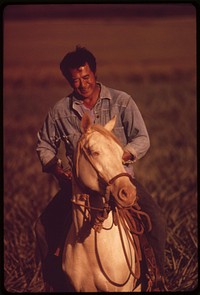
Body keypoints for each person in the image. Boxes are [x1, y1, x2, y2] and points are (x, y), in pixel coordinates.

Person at [35, 46, 166, 291]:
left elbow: (142, 138)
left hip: (119, 179)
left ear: (94, 73)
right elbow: (44, 144)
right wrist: (55, 168)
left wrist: (121, 155)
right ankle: (52, 283)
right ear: (68, 80)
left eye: (86, 77)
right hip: (79, 186)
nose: (82, 84)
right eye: (75, 80)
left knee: (156, 220)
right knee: (43, 227)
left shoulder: (122, 101)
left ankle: (157, 278)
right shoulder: (60, 111)